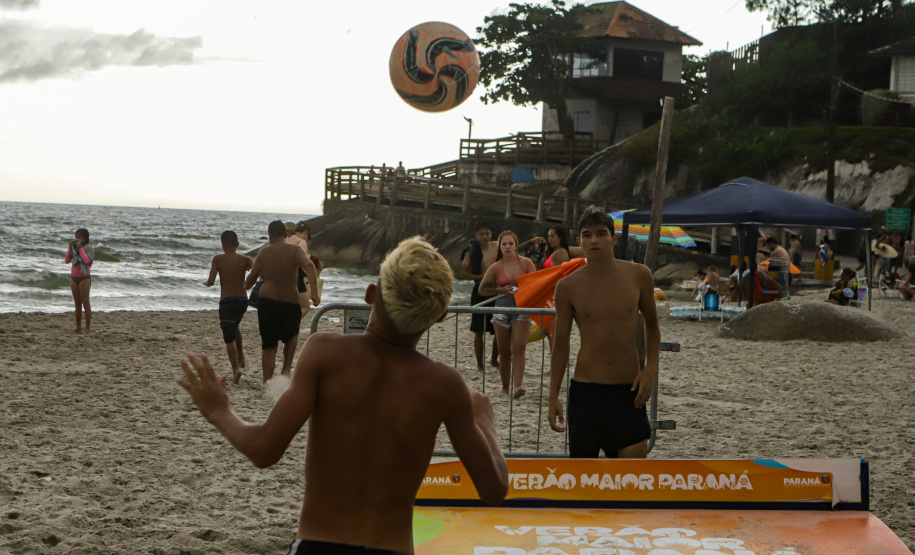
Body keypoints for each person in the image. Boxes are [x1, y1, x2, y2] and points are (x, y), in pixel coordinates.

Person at [176, 237, 508, 554]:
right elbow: (494, 489)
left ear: (370, 294)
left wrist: (219, 412)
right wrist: (484, 421)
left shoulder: (325, 352)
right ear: (439, 316)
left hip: (319, 545)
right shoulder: (443, 384)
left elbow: (264, 450)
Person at [547, 207, 660, 458]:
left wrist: (650, 369)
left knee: (630, 482)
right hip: (586, 393)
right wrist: (553, 396)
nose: (594, 240)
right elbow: (561, 344)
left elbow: (652, 326)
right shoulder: (567, 287)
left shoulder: (639, 275)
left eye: (601, 233)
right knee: (585, 485)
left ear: (614, 238)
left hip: (629, 391)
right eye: (587, 235)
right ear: (579, 242)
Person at [245, 221, 320, 382]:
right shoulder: (295, 250)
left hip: (268, 303)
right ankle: (285, 373)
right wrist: (314, 292)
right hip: (290, 301)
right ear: (286, 236)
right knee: (291, 337)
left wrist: (240, 286)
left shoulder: (264, 253)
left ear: (270, 235)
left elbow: (250, 281)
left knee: (269, 344)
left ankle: (267, 381)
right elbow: (309, 265)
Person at [479, 230, 536, 398]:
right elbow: (482, 289)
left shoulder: (526, 264)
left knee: (519, 348)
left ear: (516, 246)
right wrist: (501, 290)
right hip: (502, 307)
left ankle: (517, 386)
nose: (508, 247)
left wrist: (523, 290)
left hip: (522, 307)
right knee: (504, 352)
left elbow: (536, 284)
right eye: (504, 244)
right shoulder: (495, 267)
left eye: (511, 243)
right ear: (500, 246)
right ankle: (505, 387)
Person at [204, 230, 254, 384]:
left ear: (222, 244)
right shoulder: (245, 259)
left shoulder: (218, 259)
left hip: (227, 300)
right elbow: (258, 269)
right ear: (237, 244)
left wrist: (208, 283)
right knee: (235, 325)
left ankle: (235, 369)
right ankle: (241, 355)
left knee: (228, 338)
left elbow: (211, 281)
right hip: (242, 301)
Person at [461, 222, 499, 373]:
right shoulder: (471, 250)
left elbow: (514, 249)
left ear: (491, 234)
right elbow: (464, 273)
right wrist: (481, 276)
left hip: (497, 291)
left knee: (499, 328)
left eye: (487, 233)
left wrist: (531, 243)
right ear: (476, 235)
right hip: (479, 291)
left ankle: (494, 359)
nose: (484, 237)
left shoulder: (497, 246)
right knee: (478, 330)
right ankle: (479, 364)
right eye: (481, 234)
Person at [65, 228, 94, 333]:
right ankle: (78, 326)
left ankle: (87, 327)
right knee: (77, 303)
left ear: (85, 238)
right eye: (76, 237)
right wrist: (69, 248)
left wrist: (81, 249)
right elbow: (67, 260)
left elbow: (87, 261)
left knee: (85, 302)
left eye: (80, 237)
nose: (77, 239)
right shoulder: (74, 248)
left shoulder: (89, 248)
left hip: (84, 277)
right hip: (74, 277)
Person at [287, 221, 315, 317]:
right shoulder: (301, 242)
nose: (307, 239)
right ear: (305, 233)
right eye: (307, 236)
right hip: (296, 275)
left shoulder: (285, 238)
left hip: (281, 274)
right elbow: (304, 262)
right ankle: (292, 322)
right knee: (305, 306)